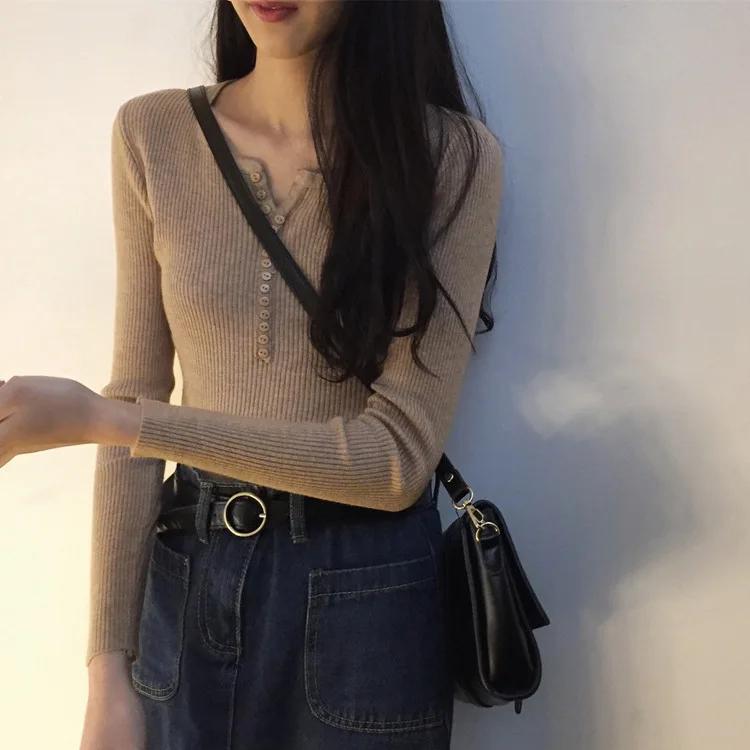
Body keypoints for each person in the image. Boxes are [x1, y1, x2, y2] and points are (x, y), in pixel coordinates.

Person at [0, 1, 503, 748]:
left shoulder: (450, 155)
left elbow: (399, 459)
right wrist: (107, 672)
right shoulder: (153, 133)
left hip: (366, 596)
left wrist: (107, 420)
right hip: (187, 578)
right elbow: (137, 386)